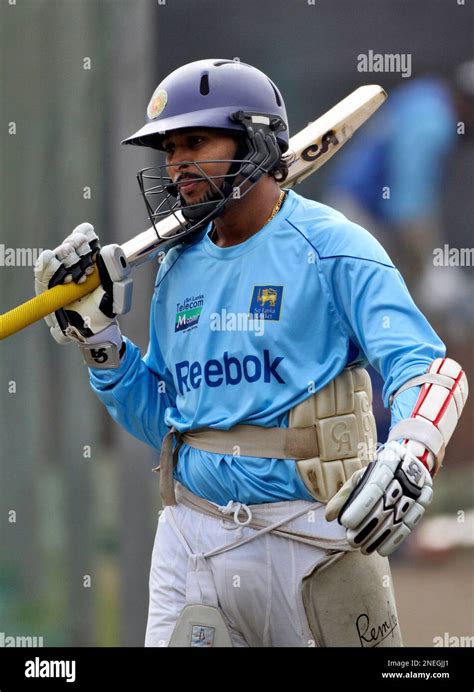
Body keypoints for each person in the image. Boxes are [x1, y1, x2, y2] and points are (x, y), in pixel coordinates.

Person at [33, 59, 468, 648]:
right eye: (168, 147)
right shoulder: (177, 267)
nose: (177, 163)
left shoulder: (334, 247)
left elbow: (429, 369)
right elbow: (168, 419)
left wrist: (412, 451)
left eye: (196, 141)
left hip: (315, 544)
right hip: (193, 543)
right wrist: (103, 346)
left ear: (258, 139)